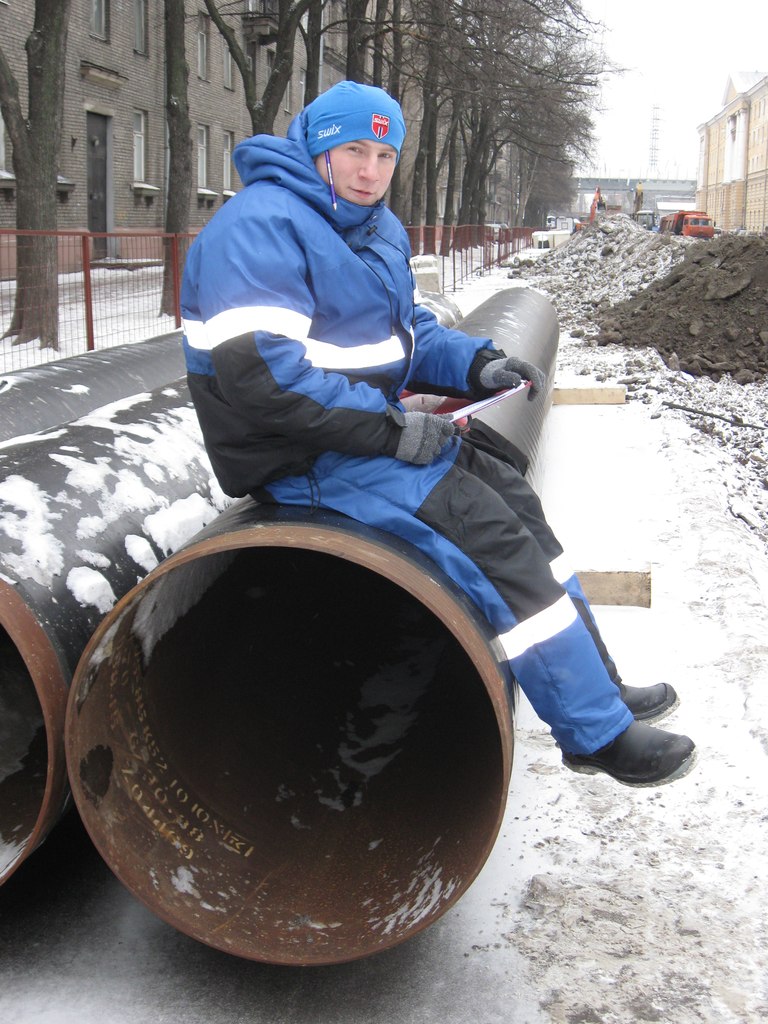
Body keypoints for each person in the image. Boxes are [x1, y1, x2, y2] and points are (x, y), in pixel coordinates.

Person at [181, 81, 695, 787]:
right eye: (353, 151)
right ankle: (595, 734)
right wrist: (393, 431)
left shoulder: (373, 227)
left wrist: (479, 365)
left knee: (514, 501)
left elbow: (408, 334)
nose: (371, 171)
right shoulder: (258, 227)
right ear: (316, 148)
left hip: (356, 434)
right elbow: (264, 381)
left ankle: (600, 688)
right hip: (295, 452)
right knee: (486, 535)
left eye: (385, 155)